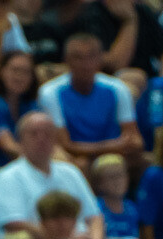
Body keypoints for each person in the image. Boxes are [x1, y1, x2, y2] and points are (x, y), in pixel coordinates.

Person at [39, 34, 142, 170]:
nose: (85, 64)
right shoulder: (50, 92)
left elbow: (134, 139)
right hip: (76, 157)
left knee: (143, 161)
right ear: (66, 61)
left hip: (114, 156)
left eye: (91, 57)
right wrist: (112, 146)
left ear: (100, 59)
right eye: (78, 58)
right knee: (80, 164)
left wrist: (116, 148)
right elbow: (64, 144)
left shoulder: (118, 89)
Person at [69, 0, 163, 83]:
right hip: (110, 81)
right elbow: (115, 64)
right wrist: (129, 22)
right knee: (135, 78)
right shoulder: (91, 15)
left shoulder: (142, 11)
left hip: (148, 80)